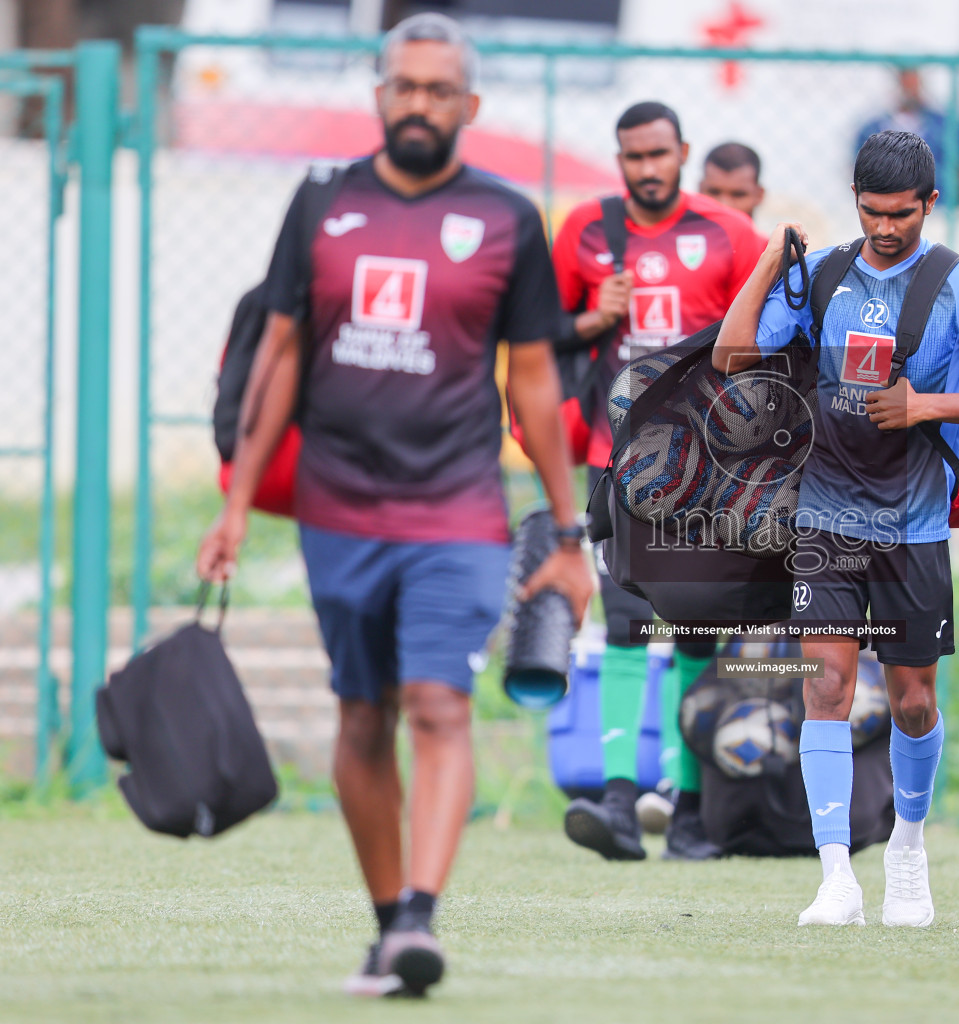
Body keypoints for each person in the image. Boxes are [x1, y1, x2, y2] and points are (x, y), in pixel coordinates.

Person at [195, 13, 594, 998]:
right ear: (379, 95)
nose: (419, 103)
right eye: (403, 86)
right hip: (339, 508)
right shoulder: (322, 201)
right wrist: (237, 501)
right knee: (361, 715)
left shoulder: (508, 219)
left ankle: (420, 914)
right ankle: (387, 924)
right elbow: (279, 355)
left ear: (470, 104)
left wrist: (569, 527)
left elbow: (536, 382)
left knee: (435, 702)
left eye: (437, 89)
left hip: (457, 510)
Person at [713, 130, 959, 926]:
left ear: (929, 204)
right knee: (824, 683)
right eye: (870, 213)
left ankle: (907, 850)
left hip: (915, 525)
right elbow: (729, 355)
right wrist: (768, 262)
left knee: (913, 703)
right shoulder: (822, 275)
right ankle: (835, 880)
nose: (884, 229)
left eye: (901, 214)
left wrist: (926, 406)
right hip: (824, 516)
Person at [550, 101, 765, 862]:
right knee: (626, 625)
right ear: (619, 159)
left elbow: (773, 330)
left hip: (706, 469)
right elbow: (533, 331)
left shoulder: (730, 235)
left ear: (682, 152)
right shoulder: (583, 229)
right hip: (619, 464)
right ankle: (613, 800)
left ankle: (688, 808)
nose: (645, 169)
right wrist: (586, 321)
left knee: (698, 630)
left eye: (657, 154)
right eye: (631, 157)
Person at [699, 141, 765, 221]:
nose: (725, 205)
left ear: (759, 195)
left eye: (738, 195)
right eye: (714, 192)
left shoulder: (776, 233)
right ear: (700, 189)